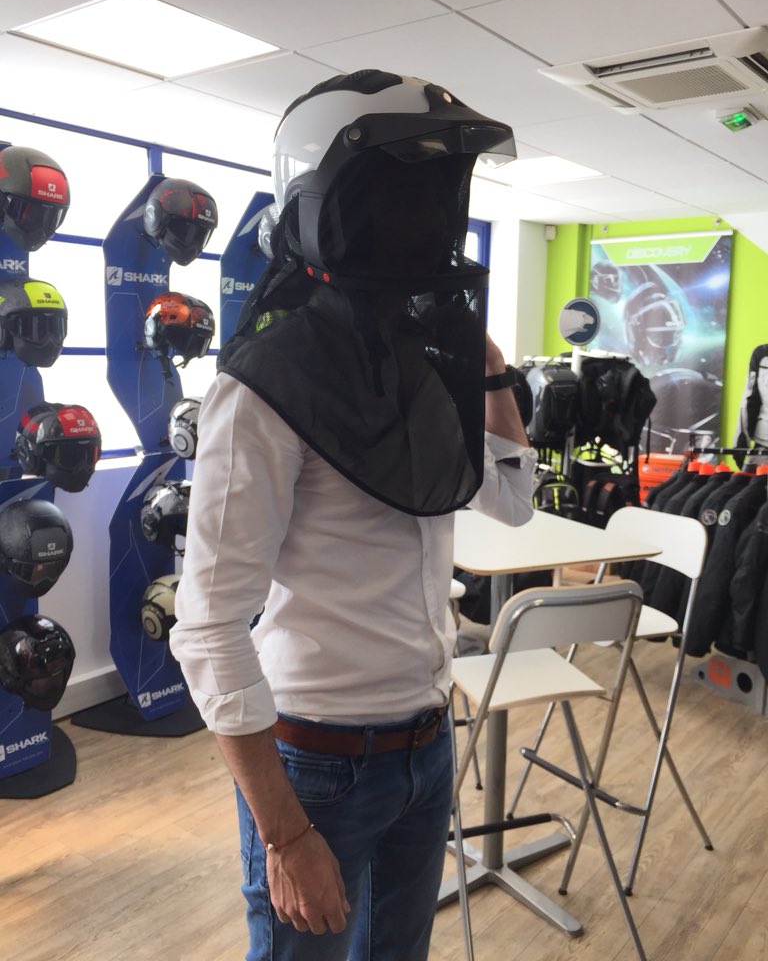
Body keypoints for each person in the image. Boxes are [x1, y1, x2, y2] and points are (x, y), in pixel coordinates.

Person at [170, 69, 536, 961]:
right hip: (315, 762)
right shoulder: (263, 387)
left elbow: (514, 501)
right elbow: (210, 626)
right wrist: (286, 836)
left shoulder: (422, 363)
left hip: (425, 740)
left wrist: (480, 356)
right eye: (401, 190)